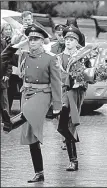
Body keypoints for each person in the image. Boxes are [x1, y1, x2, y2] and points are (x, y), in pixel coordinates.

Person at [1, 25, 62, 182]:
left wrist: (57, 106)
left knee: (29, 111)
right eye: (30, 39)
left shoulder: (51, 58)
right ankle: (39, 173)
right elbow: (3, 58)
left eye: (36, 39)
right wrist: (15, 45)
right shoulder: (24, 55)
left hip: (43, 95)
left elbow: (56, 83)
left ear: (42, 41)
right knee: (32, 136)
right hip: (27, 94)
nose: (32, 42)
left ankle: (10, 123)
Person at [56, 25, 90, 171]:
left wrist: (79, 81)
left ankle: (73, 161)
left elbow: (88, 77)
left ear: (77, 42)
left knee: (68, 125)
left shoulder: (83, 57)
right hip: (63, 93)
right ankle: (73, 159)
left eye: (71, 39)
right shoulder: (59, 57)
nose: (68, 41)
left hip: (76, 94)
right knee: (63, 126)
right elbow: (56, 77)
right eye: (66, 39)